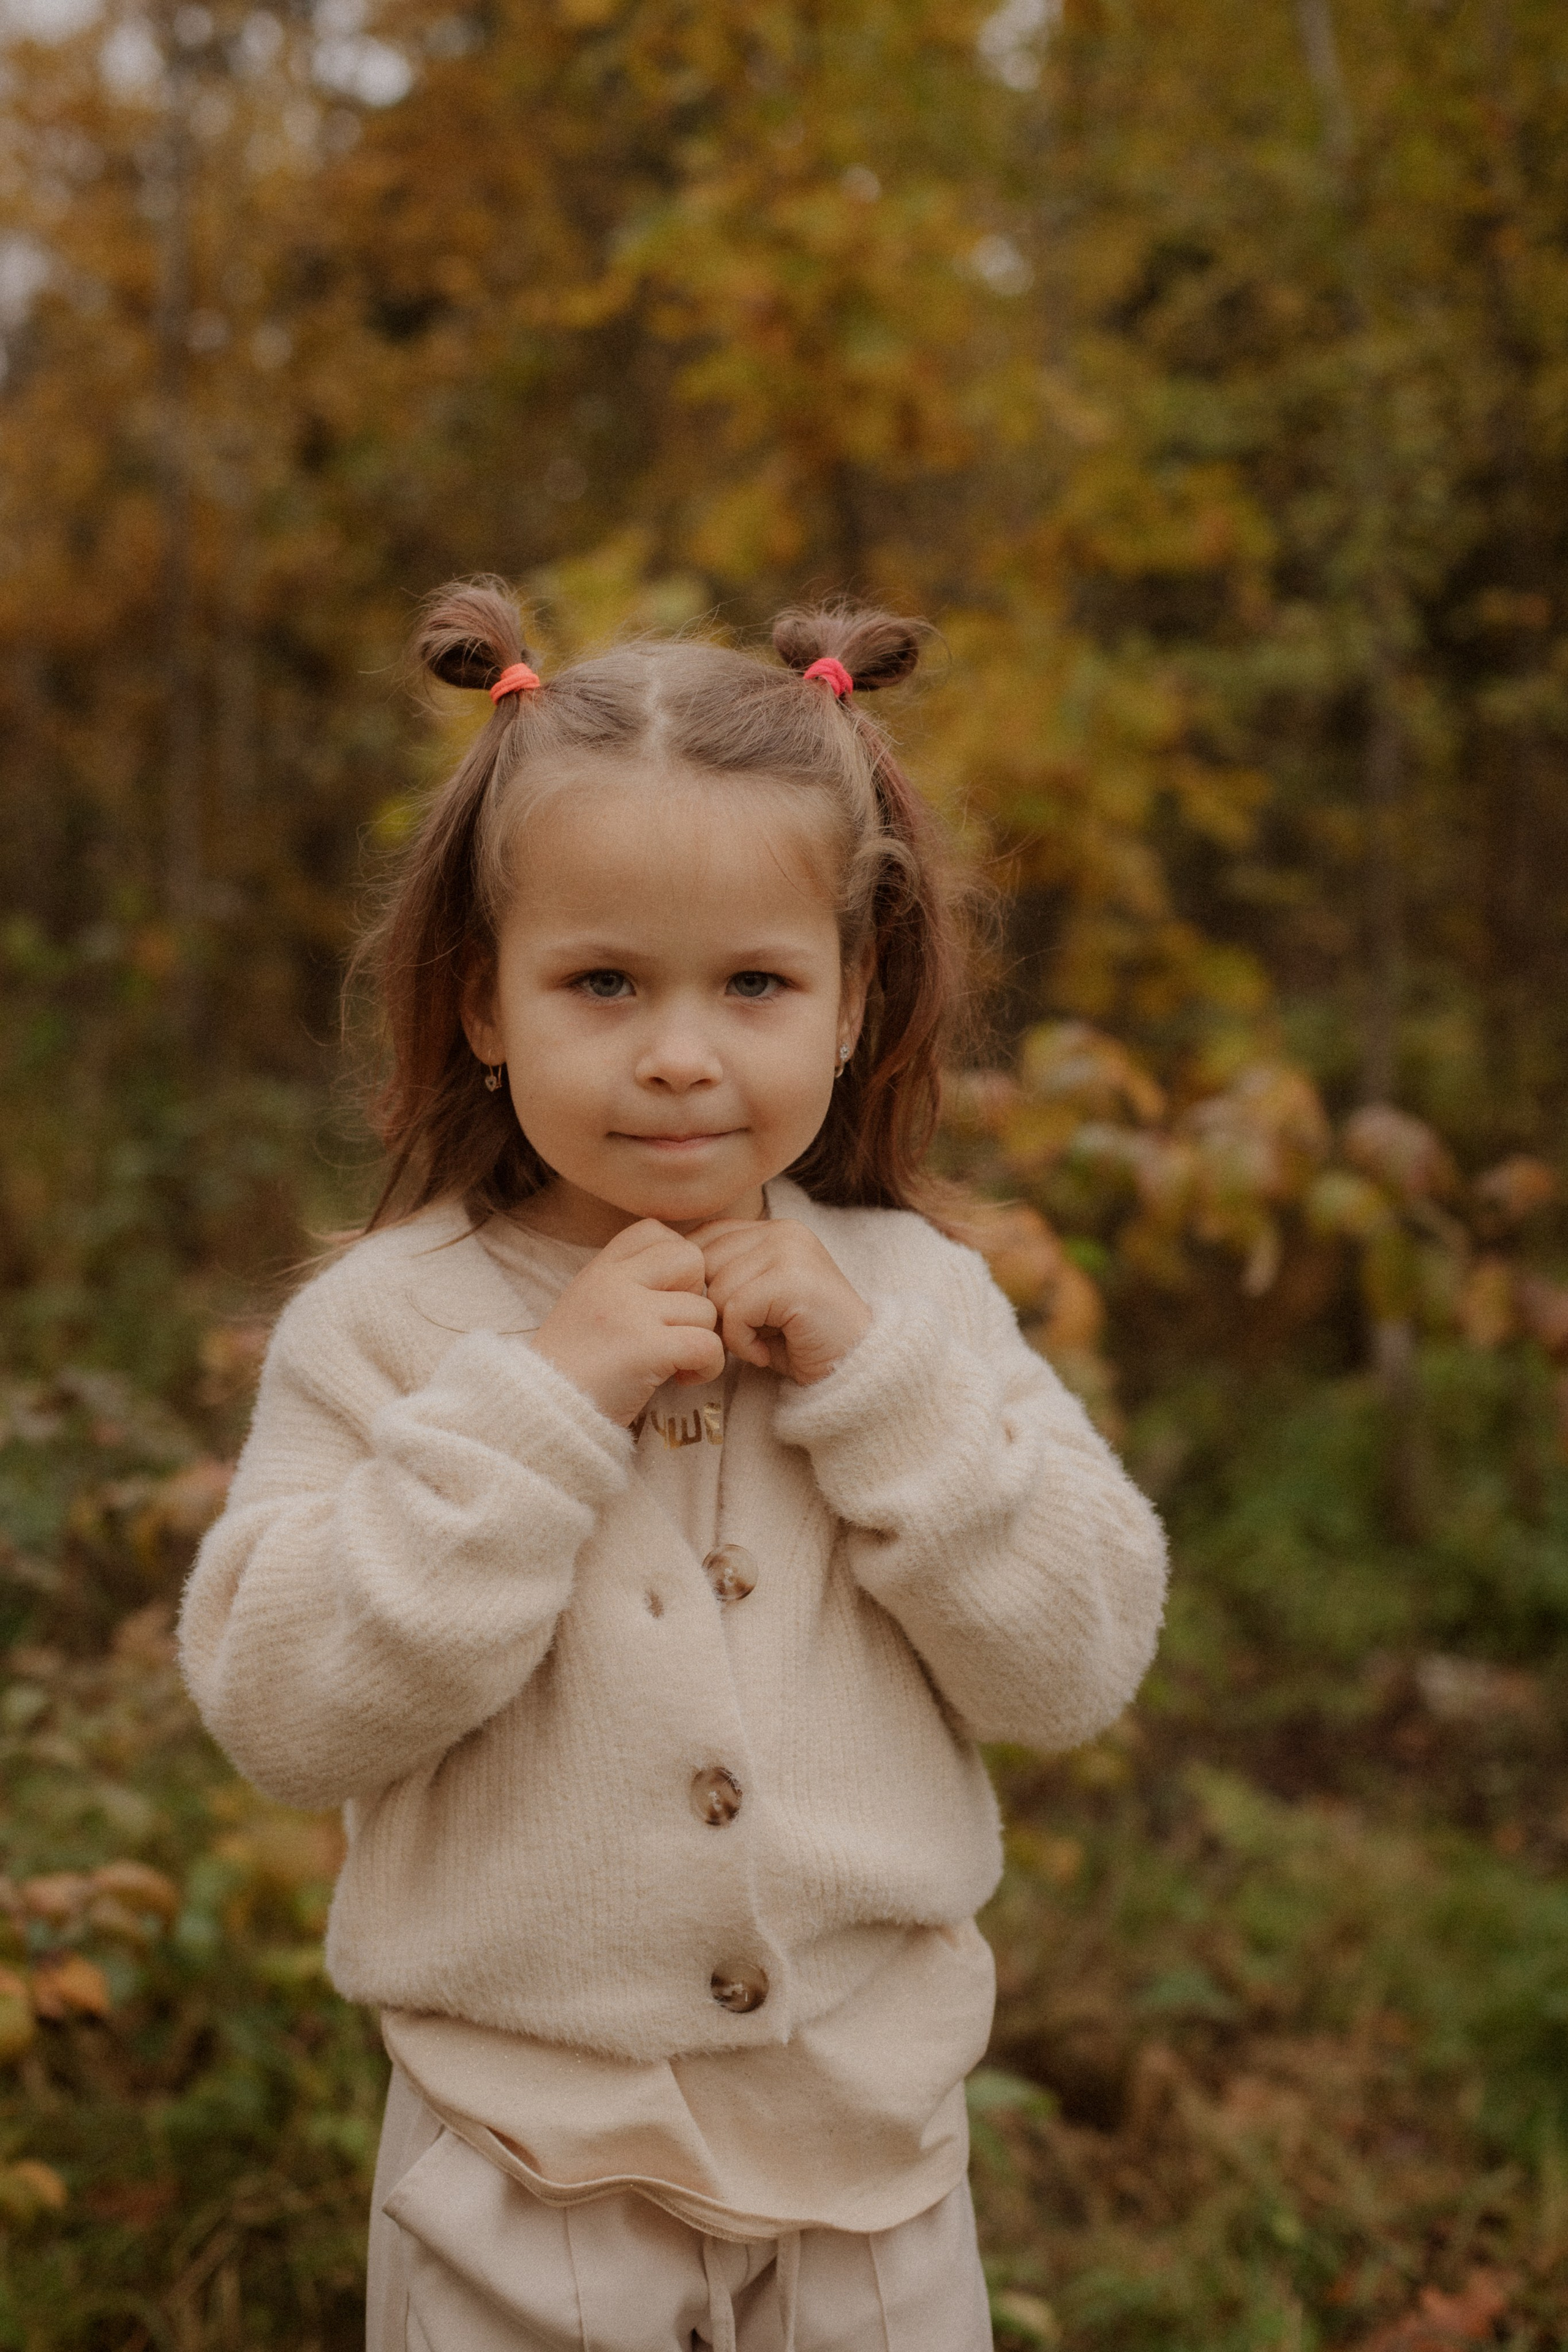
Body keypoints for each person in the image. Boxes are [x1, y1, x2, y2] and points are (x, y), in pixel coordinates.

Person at [178, 581, 1168, 2352]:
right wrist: (543, 1406)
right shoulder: (392, 1327)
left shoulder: (918, 1303)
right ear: (486, 1005)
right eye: (604, 982)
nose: (682, 1053)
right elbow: (282, 1712)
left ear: (853, 1003)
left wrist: (876, 1387)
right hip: (519, 2175)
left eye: (757, 983)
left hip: (878, 2174)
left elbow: (1076, 1662)